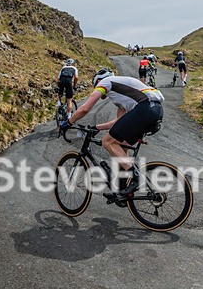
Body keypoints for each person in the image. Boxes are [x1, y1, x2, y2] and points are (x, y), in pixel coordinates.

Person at [61, 68, 165, 200]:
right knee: (121, 146)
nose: (98, 90)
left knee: (107, 141)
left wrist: (68, 123)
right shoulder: (120, 97)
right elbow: (119, 122)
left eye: (95, 86)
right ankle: (122, 189)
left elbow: (85, 108)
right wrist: (96, 127)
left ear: (98, 81)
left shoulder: (105, 82)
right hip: (155, 110)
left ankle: (136, 178)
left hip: (145, 108)